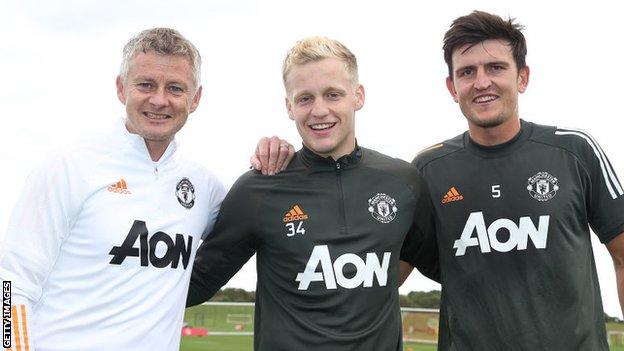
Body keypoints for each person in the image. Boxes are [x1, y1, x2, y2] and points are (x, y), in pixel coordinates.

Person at [0, 28, 291, 351]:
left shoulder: (203, 187)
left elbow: (258, 223)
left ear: (195, 99)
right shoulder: (69, 166)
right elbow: (11, 283)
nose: (159, 100)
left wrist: (276, 157)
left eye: (175, 88)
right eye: (146, 84)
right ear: (121, 88)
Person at [187, 36, 439, 350]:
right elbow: (194, 285)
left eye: (333, 95)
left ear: (357, 96)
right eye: (305, 98)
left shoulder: (403, 183)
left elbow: (453, 267)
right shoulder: (258, 188)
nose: (319, 110)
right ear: (289, 106)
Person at [408, 10, 624, 350]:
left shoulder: (574, 151)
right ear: (452, 87)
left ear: (522, 77)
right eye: (467, 72)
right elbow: (380, 276)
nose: (481, 82)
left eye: (496, 68)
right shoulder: (427, 169)